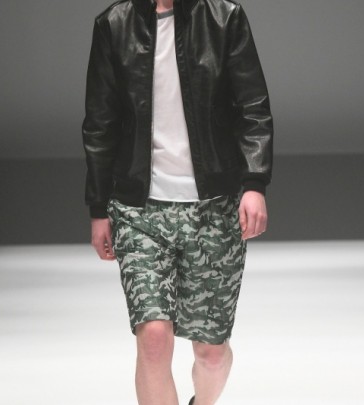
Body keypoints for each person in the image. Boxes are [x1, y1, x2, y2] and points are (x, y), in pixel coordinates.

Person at [81, 0, 273, 404]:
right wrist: (99, 208)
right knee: (153, 338)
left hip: (213, 207)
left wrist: (254, 182)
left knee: (211, 353)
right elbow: (100, 123)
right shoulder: (114, 24)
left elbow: (252, 106)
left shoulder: (224, 17)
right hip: (138, 208)